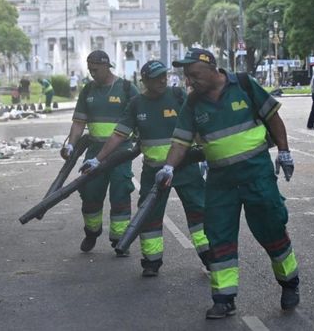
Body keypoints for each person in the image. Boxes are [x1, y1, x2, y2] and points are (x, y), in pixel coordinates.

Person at [160, 48, 299, 319]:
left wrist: (284, 151)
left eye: (194, 75)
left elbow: (273, 117)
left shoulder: (244, 85)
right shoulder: (192, 103)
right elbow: (180, 141)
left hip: (256, 173)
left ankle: (289, 282)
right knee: (219, 236)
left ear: (212, 68)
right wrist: (168, 166)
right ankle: (224, 298)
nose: (189, 81)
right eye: (187, 76)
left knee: (272, 229)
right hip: (220, 180)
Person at [81, 60, 209, 277]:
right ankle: (152, 261)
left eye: (164, 75)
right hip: (154, 172)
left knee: (199, 212)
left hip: (185, 167)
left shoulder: (178, 96)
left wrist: (207, 152)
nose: (162, 80)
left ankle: (209, 256)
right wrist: (98, 159)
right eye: (156, 77)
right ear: (144, 81)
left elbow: (195, 125)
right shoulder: (136, 104)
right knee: (149, 216)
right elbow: (119, 134)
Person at [60, 50, 138, 255]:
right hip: (94, 150)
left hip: (121, 152)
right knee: (90, 192)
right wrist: (70, 145)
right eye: (90, 69)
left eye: (95, 69)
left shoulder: (127, 89)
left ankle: (120, 239)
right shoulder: (88, 91)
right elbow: (79, 122)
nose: (92, 73)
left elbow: (141, 116)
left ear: (106, 66)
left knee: (121, 191)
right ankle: (92, 232)